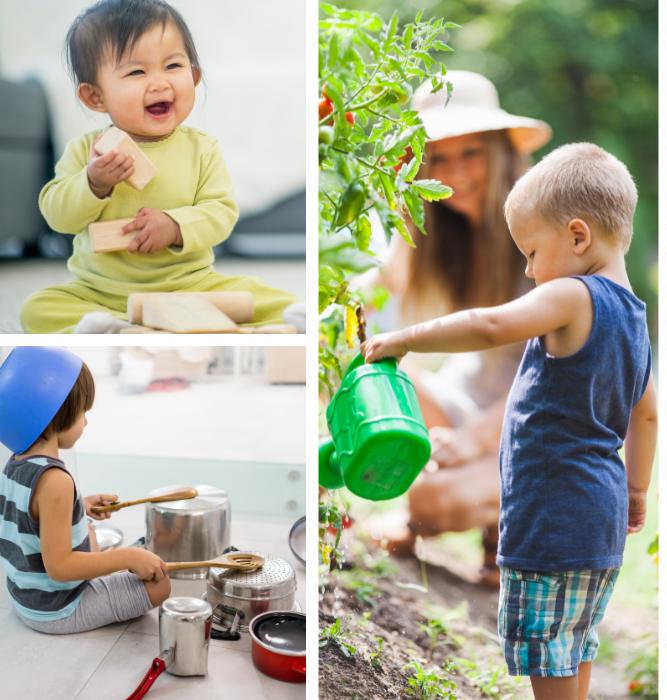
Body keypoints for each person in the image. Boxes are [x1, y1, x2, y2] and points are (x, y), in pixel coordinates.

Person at [362, 142, 658, 700]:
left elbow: (491, 324)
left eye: (531, 252)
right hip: (600, 515)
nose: (527, 269)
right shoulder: (637, 319)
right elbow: (648, 414)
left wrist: (402, 338)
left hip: (553, 515)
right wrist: (636, 490)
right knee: (576, 640)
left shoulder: (572, 294)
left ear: (577, 237)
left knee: (548, 652)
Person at [365, 71, 552, 587]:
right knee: (364, 372)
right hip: (467, 395)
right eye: (436, 157)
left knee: (429, 502)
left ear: (501, 154)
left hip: (538, 421)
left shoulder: (545, 232)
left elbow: (558, 377)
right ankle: (484, 509)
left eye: (470, 153)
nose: (453, 172)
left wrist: (474, 440)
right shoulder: (437, 228)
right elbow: (374, 289)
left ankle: (505, 529)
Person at [20, 0, 304, 334]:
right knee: (36, 309)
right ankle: (117, 327)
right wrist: (93, 183)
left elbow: (221, 213)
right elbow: (57, 216)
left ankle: (137, 328)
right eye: (137, 72)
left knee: (266, 296)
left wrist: (174, 225)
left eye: (172, 66)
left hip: (192, 286)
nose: (159, 83)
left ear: (194, 76)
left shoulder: (202, 149)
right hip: (103, 293)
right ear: (95, 97)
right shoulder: (87, 152)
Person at [0, 346, 171, 634]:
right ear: (56, 414)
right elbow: (60, 568)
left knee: (88, 527)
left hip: (24, 596)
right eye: (82, 413)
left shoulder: (15, 463)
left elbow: (29, 519)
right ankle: (103, 569)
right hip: (58, 607)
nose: (86, 422)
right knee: (160, 584)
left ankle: (100, 565)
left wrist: (82, 505)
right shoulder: (56, 480)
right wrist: (128, 557)